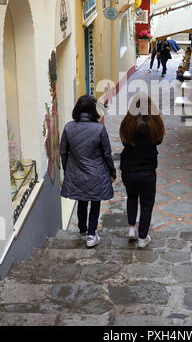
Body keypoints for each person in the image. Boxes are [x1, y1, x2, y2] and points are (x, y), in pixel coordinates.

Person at [60, 95, 116, 248]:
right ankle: (91, 234)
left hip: (76, 172)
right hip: (96, 173)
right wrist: (112, 171)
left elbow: (63, 151)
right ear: (93, 110)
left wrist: (67, 169)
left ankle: (82, 229)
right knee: (95, 203)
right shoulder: (99, 129)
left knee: (82, 201)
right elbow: (106, 153)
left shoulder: (68, 127)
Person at [120, 94, 165, 248]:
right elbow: (159, 140)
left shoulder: (127, 122)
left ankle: (132, 228)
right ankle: (142, 238)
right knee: (147, 204)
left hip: (129, 170)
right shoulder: (155, 123)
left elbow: (124, 140)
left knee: (132, 197)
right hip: (147, 170)